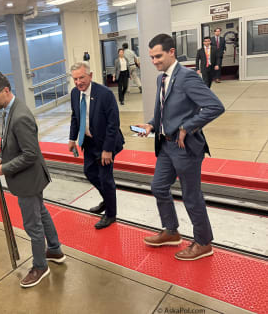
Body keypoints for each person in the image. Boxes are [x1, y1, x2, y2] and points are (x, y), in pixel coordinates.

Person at [136, 33, 224, 261]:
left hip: (185, 147)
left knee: (191, 196)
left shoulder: (186, 77)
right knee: (158, 186)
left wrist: (188, 126)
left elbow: (215, 106)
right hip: (166, 146)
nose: (154, 61)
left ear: (171, 52)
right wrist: (151, 125)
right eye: (151, 57)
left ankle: (204, 243)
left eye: (158, 56)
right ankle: (171, 231)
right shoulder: (161, 79)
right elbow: (164, 113)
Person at [0, 71, 66, 288]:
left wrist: (5, 169)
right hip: (30, 177)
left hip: (28, 179)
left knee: (33, 225)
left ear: (6, 90)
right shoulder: (9, 109)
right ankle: (55, 250)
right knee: (42, 212)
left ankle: (40, 266)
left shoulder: (19, 116)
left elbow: (30, 154)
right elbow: (16, 145)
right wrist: (3, 157)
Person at [68, 61, 124, 229]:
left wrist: (107, 149)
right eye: (75, 79)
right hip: (89, 142)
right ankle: (107, 200)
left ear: (90, 76)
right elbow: (75, 117)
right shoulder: (74, 93)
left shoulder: (105, 94)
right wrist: (72, 139)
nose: (78, 82)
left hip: (105, 142)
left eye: (82, 78)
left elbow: (113, 124)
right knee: (89, 172)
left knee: (106, 179)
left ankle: (111, 214)